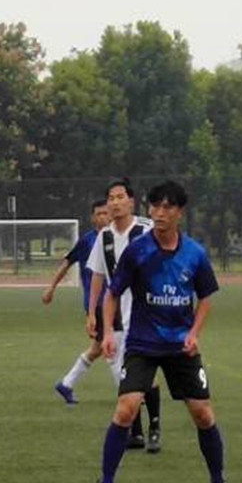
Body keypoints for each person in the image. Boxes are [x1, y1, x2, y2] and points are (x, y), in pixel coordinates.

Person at [84, 181, 239, 483]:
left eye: (167, 207)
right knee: (125, 410)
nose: (159, 213)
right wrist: (108, 332)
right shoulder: (138, 251)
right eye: (154, 206)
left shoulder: (194, 253)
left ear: (179, 212)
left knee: (203, 414)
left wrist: (194, 332)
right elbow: (112, 293)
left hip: (181, 347)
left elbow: (206, 297)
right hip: (142, 344)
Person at [86, 178, 163, 452]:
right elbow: (97, 276)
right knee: (124, 373)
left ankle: (154, 427)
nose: (115, 202)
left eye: (120, 197)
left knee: (146, 371)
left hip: (146, 312)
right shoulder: (104, 237)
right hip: (116, 316)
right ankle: (136, 431)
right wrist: (92, 313)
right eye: (111, 198)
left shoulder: (146, 230)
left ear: (131, 201)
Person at [43, 199, 110, 404]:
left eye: (105, 213)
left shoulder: (116, 238)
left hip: (115, 301)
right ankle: (132, 391)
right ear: (93, 218)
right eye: (99, 214)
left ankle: (66, 384)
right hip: (98, 304)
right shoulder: (87, 241)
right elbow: (67, 263)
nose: (103, 217)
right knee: (114, 344)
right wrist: (52, 287)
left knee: (98, 348)